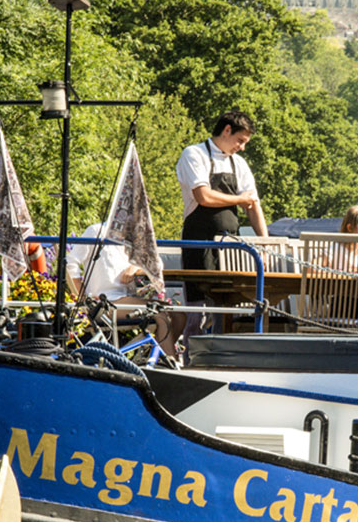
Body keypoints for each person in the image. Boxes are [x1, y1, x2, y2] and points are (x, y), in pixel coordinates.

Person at [176, 110, 268, 345]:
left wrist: (265, 243)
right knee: (197, 310)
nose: (242, 147)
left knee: (226, 306)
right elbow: (204, 196)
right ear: (227, 130)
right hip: (199, 242)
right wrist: (239, 199)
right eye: (240, 140)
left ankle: (223, 355)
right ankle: (192, 359)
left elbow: (253, 205)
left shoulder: (239, 164)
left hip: (230, 248)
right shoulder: (194, 154)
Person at [66, 222, 185, 360]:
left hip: (125, 299)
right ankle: (170, 365)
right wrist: (84, 299)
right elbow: (70, 263)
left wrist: (135, 267)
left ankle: (153, 359)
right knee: (160, 314)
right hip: (105, 302)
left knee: (179, 316)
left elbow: (157, 262)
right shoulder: (96, 231)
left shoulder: (137, 234)